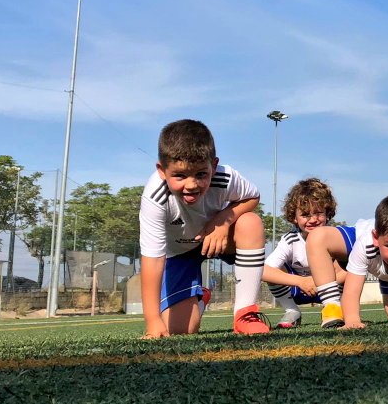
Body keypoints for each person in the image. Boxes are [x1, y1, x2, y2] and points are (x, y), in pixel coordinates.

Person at [139, 119, 269, 337]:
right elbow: (153, 260)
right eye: (180, 175)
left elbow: (253, 196)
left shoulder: (225, 177)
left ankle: (244, 315)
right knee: (180, 331)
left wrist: (222, 221)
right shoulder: (155, 197)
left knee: (251, 223)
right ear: (162, 170)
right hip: (179, 253)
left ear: (214, 166)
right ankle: (200, 296)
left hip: (219, 239)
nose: (191, 184)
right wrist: (152, 321)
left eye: (201, 174)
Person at [307, 194, 388, 329]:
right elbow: (352, 292)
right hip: (359, 240)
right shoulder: (365, 244)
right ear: (375, 238)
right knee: (317, 237)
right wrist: (352, 320)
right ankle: (332, 306)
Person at [262, 178, 341, 329]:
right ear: (294, 217)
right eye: (305, 214)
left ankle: (333, 308)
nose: (313, 220)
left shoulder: (335, 235)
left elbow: (352, 270)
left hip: (330, 288)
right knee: (274, 270)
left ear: (328, 212)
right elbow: (263, 270)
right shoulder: (290, 240)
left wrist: (321, 281)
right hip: (298, 290)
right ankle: (292, 311)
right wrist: (301, 282)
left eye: (318, 213)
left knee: (346, 263)